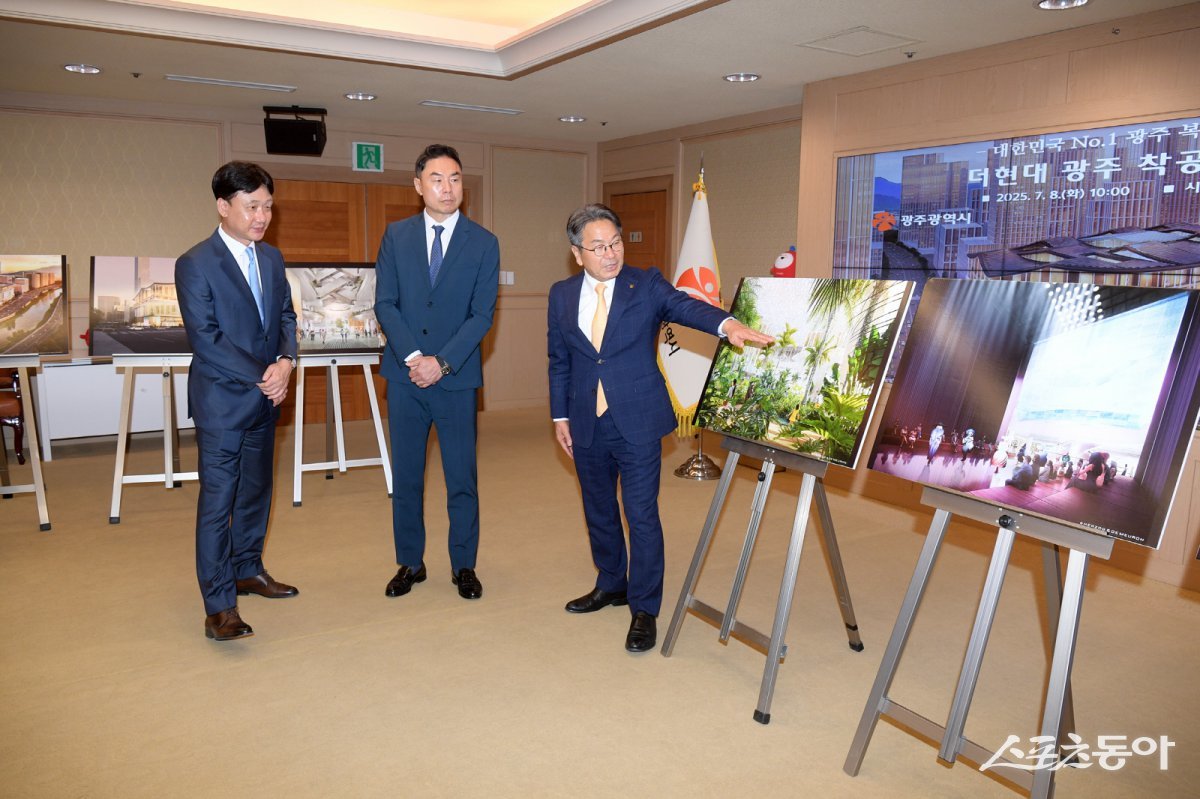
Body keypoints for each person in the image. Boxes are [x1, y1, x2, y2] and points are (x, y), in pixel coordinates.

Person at [548, 203, 773, 653]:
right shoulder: (561, 294)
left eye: (615, 242)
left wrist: (726, 324)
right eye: (598, 247)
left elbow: (686, 306)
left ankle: (644, 607)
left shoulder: (644, 283)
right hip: (585, 421)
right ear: (577, 253)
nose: (610, 253)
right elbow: (559, 360)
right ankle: (611, 582)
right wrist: (560, 416)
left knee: (641, 514)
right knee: (598, 510)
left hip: (637, 420)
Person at [175, 161, 299, 642]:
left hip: (265, 401)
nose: (262, 216)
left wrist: (286, 362)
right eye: (252, 206)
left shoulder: (271, 258)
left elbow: (286, 316)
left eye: (268, 205)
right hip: (223, 404)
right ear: (223, 207)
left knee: (256, 494)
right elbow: (206, 339)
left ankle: (249, 570)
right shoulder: (196, 263)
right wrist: (265, 376)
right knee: (218, 503)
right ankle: (219, 606)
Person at [374, 144, 499, 601]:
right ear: (418, 185)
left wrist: (441, 362)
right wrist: (414, 359)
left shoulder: (483, 243)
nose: (447, 188)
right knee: (406, 477)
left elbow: (481, 316)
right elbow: (385, 302)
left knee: (461, 477)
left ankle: (463, 565)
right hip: (406, 379)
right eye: (437, 179)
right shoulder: (396, 235)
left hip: (457, 380)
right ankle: (410, 561)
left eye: (455, 179)